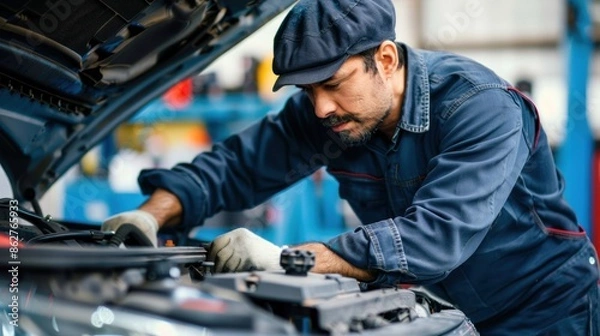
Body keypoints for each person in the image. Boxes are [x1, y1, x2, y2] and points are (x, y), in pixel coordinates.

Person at [102, 0, 600, 334]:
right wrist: (151, 214)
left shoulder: (478, 106)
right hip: (453, 313)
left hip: (551, 312)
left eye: (333, 83)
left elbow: (434, 236)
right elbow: (237, 167)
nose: (320, 108)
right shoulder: (332, 117)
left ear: (384, 59)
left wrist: (288, 260)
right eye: (307, 91)